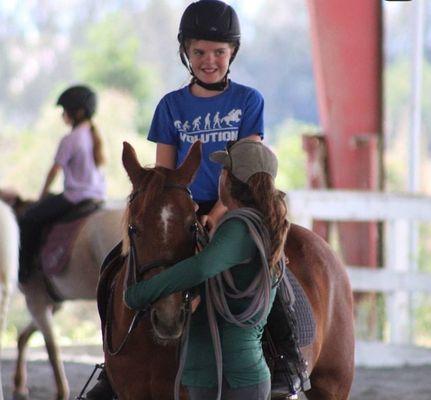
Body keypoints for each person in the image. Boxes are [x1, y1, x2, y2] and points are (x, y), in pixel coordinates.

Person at [125, 138, 287, 400]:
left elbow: (202, 268)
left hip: (232, 379)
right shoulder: (245, 226)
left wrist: (138, 294)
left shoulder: (240, 228)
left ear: (230, 180)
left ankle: (290, 360)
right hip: (215, 377)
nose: (219, 177)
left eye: (223, 171)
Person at [149, 0, 263, 230]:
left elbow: (246, 167)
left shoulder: (249, 100)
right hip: (183, 209)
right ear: (186, 53)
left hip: (236, 207)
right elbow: (165, 173)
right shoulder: (169, 106)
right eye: (199, 52)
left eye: (219, 52)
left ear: (232, 52)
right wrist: (185, 212)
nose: (209, 60)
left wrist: (216, 214)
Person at [18, 84, 106, 283]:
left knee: (28, 219)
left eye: (66, 110)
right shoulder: (92, 135)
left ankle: (24, 272)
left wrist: (41, 197)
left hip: (76, 196)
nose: (63, 115)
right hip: (97, 195)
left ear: (79, 112)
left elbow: (54, 170)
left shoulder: (71, 139)